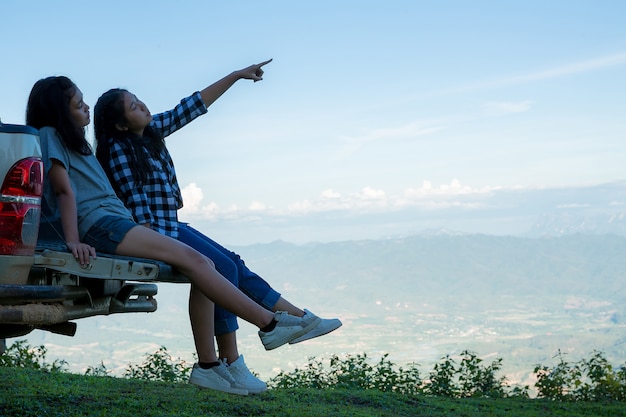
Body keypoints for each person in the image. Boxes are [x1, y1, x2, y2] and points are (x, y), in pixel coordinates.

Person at [26, 75, 323, 396]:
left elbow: (187, 109)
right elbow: (62, 191)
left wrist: (237, 75)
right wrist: (72, 241)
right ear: (58, 111)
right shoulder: (50, 134)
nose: (85, 106)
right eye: (77, 103)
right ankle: (270, 325)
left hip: (116, 223)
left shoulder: (78, 142)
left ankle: (211, 367)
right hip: (103, 226)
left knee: (204, 264)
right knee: (199, 261)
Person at [93, 60, 342, 393]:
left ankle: (289, 325)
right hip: (156, 233)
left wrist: (237, 76)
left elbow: (191, 107)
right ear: (121, 124)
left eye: (139, 100)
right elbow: (134, 197)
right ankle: (234, 358)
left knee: (231, 263)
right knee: (223, 266)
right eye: (134, 107)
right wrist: (146, 234)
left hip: (171, 226)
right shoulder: (117, 149)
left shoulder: (149, 133)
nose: (143, 106)